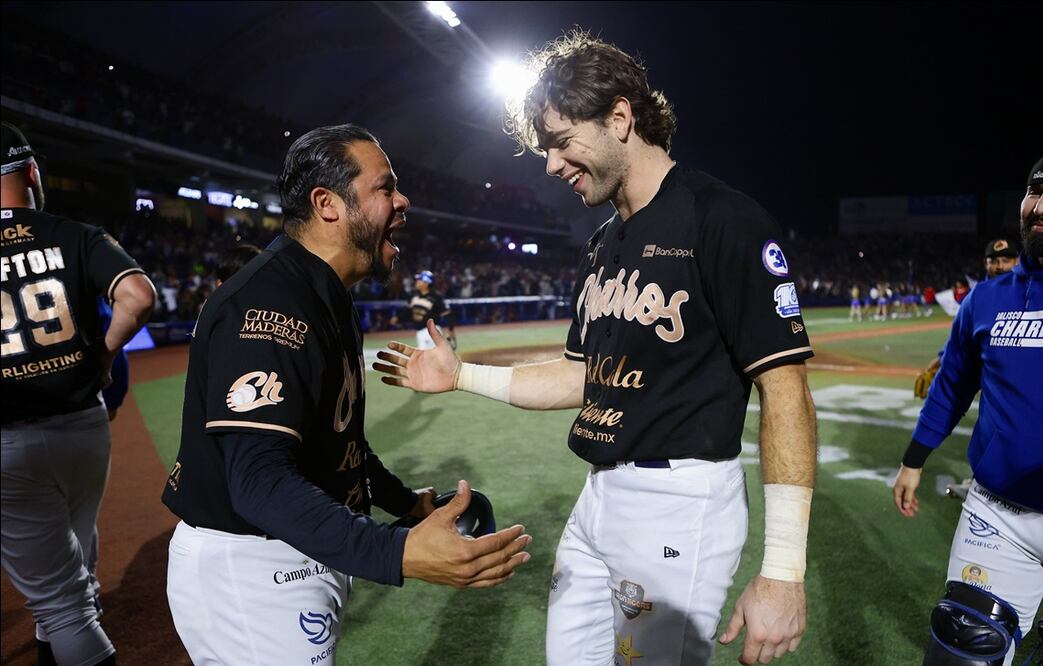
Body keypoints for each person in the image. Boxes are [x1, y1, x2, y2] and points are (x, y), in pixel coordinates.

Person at [375, 32, 817, 666]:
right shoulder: (603, 242)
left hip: (679, 503)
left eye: (561, 142)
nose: (551, 165)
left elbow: (786, 389)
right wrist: (462, 376)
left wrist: (783, 570)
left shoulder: (722, 219)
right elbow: (580, 377)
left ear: (619, 117)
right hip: (598, 496)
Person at [160, 124, 532, 665]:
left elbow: (337, 440)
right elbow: (258, 482)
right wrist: (396, 551)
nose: (403, 201)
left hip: (296, 545)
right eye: (386, 187)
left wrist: (404, 502)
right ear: (327, 204)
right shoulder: (270, 305)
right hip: (252, 563)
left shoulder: (322, 293)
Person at [892, 142, 1043, 665]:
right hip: (998, 513)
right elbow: (951, 388)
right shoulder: (987, 299)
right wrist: (914, 460)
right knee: (961, 648)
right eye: (1034, 191)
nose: (1041, 204)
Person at [1, 121, 157, 666]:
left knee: (63, 606)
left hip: (8, 441)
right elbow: (137, 295)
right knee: (75, 571)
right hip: (83, 426)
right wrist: (105, 356)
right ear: (32, 172)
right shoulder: (73, 233)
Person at [913, 237, 1021, 500]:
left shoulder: (1027, 288)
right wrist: (941, 359)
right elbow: (964, 338)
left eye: (1006, 260)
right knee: (989, 427)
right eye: (994, 261)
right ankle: (979, 481)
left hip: (1016, 377)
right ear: (985, 263)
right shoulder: (980, 295)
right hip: (989, 375)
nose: (1000, 266)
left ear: (1017, 261)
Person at [391, 269, 455, 349]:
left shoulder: (436, 297)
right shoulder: (413, 295)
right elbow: (408, 311)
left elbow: (448, 314)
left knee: (424, 355)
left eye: (419, 280)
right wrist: (398, 318)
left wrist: (451, 331)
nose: (417, 281)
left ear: (426, 283)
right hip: (420, 332)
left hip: (431, 331)